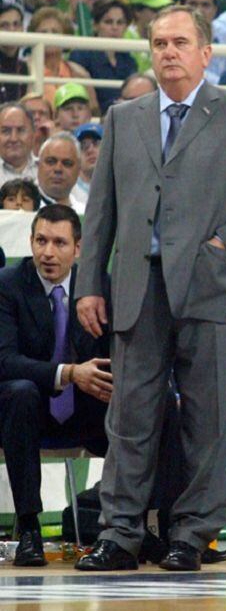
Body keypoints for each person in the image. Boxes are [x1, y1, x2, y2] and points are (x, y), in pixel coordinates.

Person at [73, 5, 226, 572]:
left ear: (205, 52)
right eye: (160, 43)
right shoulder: (125, 116)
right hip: (137, 287)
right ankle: (119, 535)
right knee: (131, 418)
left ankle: (190, 535)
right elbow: (101, 213)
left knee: (207, 420)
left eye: (180, 42)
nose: (168, 52)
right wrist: (89, 285)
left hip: (209, 286)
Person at [0, 205, 110, 566]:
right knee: (21, 391)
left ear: (78, 248)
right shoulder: (8, 285)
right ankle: (29, 529)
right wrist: (68, 372)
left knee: (143, 404)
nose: (48, 252)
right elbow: (4, 360)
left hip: (85, 409)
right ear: (31, 242)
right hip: (24, 413)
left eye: (59, 243)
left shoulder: (98, 289)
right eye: (41, 241)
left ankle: (144, 527)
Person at [69, 0, 136, 114]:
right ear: (95, 25)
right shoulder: (81, 55)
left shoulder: (128, 60)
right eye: (108, 22)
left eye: (120, 23)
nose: (115, 27)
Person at [36, 132, 82, 213]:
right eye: (51, 162)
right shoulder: (20, 210)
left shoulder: (86, 214)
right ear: (38, 165)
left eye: (67, 163)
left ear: (78, 170)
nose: (58, 169)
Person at [0, 101, 36, 184]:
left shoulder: (47, 169)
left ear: (33, 134)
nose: (14, 138)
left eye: (21, 130)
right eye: (6, 131)